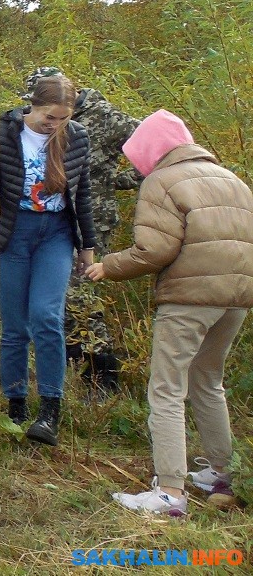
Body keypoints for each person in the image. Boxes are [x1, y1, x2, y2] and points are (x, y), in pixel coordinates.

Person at [86, 109, 253, 515]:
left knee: (166, 389)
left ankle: (171, 494)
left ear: (150, 150)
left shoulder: (162, 181)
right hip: (236, 298)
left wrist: (108, 266)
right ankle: (222, 472)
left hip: (189, 298)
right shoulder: (232, 180)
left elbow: (155, 250)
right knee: (207, 380)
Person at [25, 67, 141, 395]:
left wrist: (118, 181)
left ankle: (103, 378)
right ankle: (72, 371)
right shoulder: (46, 117)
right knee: (58, 299)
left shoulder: (106, 117)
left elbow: (154, 144)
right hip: (52, 221)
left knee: (79, 297)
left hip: (90, 223)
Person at [0, 74, 97, 446]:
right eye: (49, 116)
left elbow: (81, 192)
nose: (54, 124)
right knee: (15, 324)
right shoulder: (4, 132)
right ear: (32, 105)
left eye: (63, 118)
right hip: (12, 232)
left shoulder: (77, 138)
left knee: (46, 316)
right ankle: (16, 403)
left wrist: (88, 245)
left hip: (56, 234)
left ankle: (50, 409)